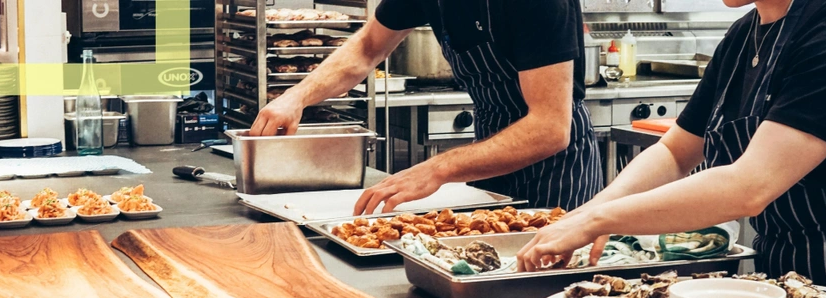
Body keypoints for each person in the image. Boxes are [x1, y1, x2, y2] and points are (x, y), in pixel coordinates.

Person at [515, 0, 826, 298]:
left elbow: (750, 186)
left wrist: (601, 219)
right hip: (795, 276)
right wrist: (585, 216)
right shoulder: (744, 37)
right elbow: (676, 151)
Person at [249, 0, 603, 214]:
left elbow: (549, 128)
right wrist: (297, 96)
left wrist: (437, 168)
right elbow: (368, 47)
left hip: (557, 172)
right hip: (488, 152)